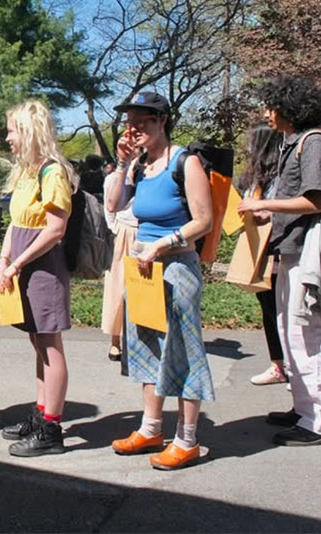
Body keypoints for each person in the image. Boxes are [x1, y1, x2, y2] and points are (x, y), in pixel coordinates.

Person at [239, 77, 321, 446]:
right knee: (292, 333)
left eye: (272, 106)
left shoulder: (315, 142)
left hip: (310, 253)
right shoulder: (299, 142)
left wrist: (264, 205)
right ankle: (304, 408)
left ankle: (318, 422)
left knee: (310, 333)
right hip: (294, 250)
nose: (267, 113)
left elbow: (318, 200)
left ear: (289, 108)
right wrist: (270, 216)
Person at [105, 91, 214, 470]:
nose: (134, 129)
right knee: (146, 347)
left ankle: (187, 439)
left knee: (182, 351)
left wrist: (163, 245)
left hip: (177, 268)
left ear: (163, 121)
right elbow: (115, 206)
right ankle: (151, 428)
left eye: (143, 122)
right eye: (130, 122)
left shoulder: (186, 163)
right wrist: (121, 164)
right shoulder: (140, 166)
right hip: (144, 269)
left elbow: (203, 221)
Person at [0, 100, 74, 458]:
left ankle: (51, 428)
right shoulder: (27, 171)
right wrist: (3, 260)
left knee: (50, 346)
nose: (8, 137)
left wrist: (17, 263)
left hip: (44, 270)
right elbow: (17, 223)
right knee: (38, 344)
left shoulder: (52, 172)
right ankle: (41, 412)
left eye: (12, 130)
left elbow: (55, 230)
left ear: (29, 132)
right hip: (25, 269)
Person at [237, 122, 287, 386]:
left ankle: (292, 366)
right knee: (268, 309)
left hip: (278, 250)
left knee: (284, 310)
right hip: (258, 249)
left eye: (252, 143)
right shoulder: (255, 177)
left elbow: (283, 208)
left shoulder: (282, 176)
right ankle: (277, 365)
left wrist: (265, 212)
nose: (248, 149)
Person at [101, 131, 139, 363]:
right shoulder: (114, 176)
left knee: (142, 291)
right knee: (117, 289)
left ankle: (137, 339)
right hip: (123, 232)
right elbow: (109, 208)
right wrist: (117, 230)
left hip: (146, 232)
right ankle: (115, 341)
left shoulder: (150, 171)